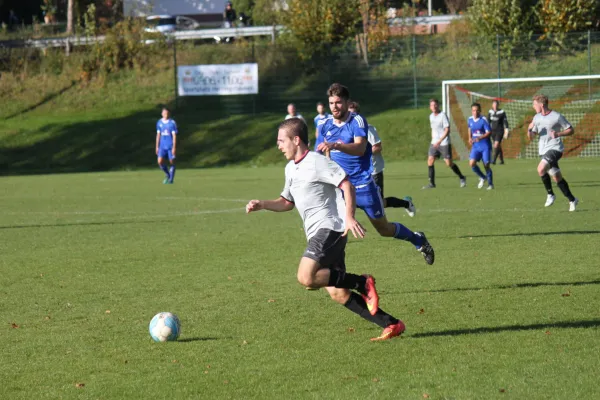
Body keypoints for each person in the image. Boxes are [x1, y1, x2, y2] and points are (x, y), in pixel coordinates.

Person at [246, 118, 405, 341]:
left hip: (330, 228)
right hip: (318, 232)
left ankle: (362, 282)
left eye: (281, 141)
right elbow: (286, 202)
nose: (279, 146)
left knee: (306, 277)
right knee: (338, 292)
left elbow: (346, 185)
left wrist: (349, 217)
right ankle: (392, 324)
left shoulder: (317, 162)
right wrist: (262, 204)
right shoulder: (290, 168)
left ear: (296, 139)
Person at [315, 83, 434, 265]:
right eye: (331, 103)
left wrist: (336, 145)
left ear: (347, 102)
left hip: (363, 186)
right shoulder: (324, 124)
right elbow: (320, 152)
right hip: (340, 188)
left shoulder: (357, 121)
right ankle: (335, 273)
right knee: (336, 228)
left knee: (384, 229)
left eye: (338, 102)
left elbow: (361, 148)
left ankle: (418, 239)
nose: (334, 107)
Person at [347, 100, 416, 217]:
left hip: (374, 170)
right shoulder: (348, 131)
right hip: (357, 172)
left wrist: (362, 152)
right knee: (349, 197)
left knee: (379, 203)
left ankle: (406, 203)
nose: (351, 117)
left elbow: (378, 147)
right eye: (349, 114)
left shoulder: (368, 129)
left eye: (353, 114)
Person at [528, 94, 578, 211]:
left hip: (555, 148)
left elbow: (571, 130)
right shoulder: (536, 117)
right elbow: (531, 137)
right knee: (557, 177)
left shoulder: (556, 116)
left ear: (541, 105)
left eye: (535, 104)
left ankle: (550, 194)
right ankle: (572, 199)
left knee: (540, 169)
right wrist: (529, 129)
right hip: (543, 151)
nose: (533, 107)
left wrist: (558, 134)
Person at [423, 99, 466, 189]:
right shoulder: (431, 116)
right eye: (432, 105)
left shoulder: (443, 115)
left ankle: (462, 177)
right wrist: (433, 140)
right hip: (434, 143)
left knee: (448, 163)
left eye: (435, 105)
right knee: (430, 160)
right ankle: (432, 183)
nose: (434, 106)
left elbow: (447, 130)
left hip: (444, 142)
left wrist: (439, 141)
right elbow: (433, 129)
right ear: (430, 107)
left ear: (438, 105)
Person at [468, 103, 494, 190]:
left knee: (486, 164)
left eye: (477, 110)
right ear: (471, 111)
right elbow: (469, 128)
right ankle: (483, 177)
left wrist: (480, 137)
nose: (475, 112)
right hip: (476, 146)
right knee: (471, 163)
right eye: (473, 110)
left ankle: (490, 184)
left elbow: (489, 132)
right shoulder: (470, 119)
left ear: (480, 111)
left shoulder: (483, 120)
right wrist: (469, 138)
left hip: (485, 146)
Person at [156, 107, 178, 184]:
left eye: (167, 113)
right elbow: (158, 135)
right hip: (162, 146)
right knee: (159, 162)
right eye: (165, 113)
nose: (166, 114)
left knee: (172, 162)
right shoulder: (159, 122)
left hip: (170, 146)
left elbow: (174, 136)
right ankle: (168, 174)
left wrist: (174, 147)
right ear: (162, 114)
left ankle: (171, 179)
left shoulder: (172, 123)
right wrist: (157, 146)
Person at [488, 100, 510, 165]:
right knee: (498, 146)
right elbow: (488, 121)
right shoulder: (490, 112)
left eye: (496, 105)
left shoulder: (502, 112)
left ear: (498, 105)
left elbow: (505, 121)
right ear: (492, 105)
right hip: (492, 131)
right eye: (494, 105)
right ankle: (502, 160)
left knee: (496, 145)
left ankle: (493, 160)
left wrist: (507, 129)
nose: (495, 106)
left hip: (500, 131)